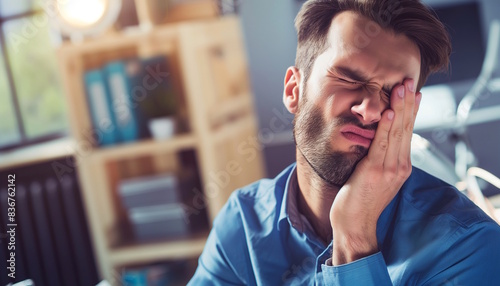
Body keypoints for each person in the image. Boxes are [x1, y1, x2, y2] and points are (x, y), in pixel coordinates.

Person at [189, 0, 500, 285]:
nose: (370, 109)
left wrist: (354, 238)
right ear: (293, 90)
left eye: (394, 94)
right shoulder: (243, 223)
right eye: (350, 79)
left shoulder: (467, 245)